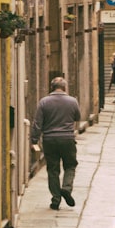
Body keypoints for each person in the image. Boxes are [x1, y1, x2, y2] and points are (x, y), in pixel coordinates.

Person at [30, 77, 81, 210]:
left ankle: (56, 199)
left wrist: (34, 140)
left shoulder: (44, 102)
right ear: (64, 87)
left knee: (52, 169)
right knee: (70, 165)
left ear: (51, 87)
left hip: (49, 139)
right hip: (67, 139)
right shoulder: (72, 101)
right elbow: (77, 118)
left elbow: (37, 123)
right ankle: (66, 188)